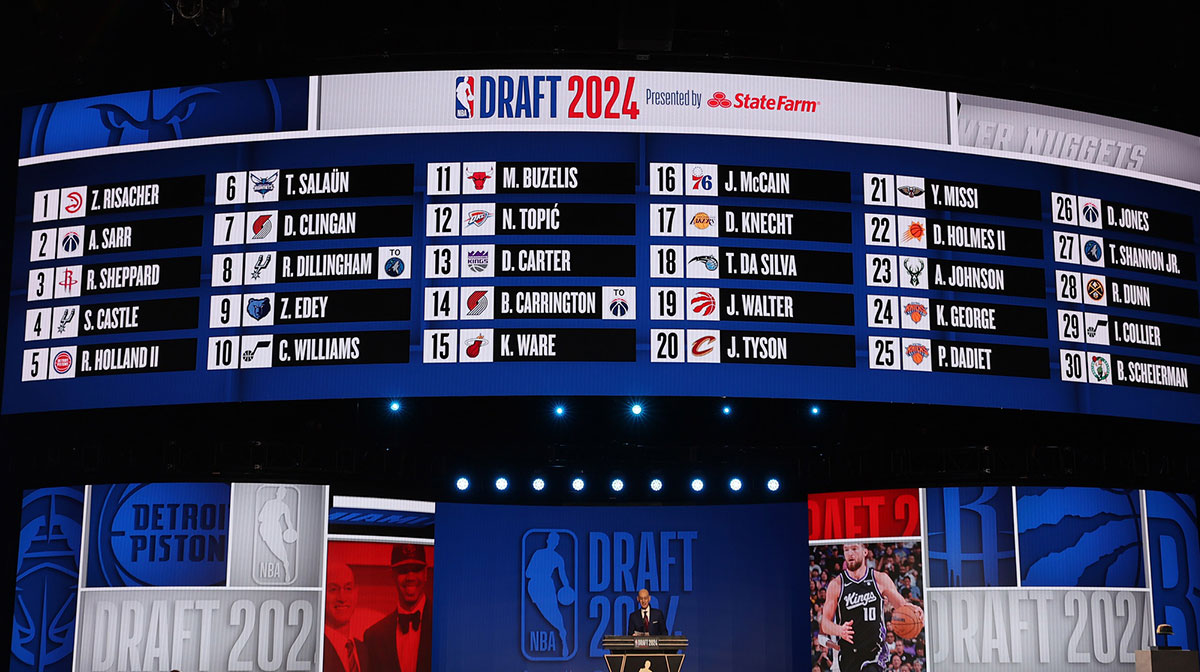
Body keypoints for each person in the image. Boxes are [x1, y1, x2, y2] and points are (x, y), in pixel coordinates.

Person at [819, 543, 922, 672]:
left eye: (854, 548)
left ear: (865, 552)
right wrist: (839, 630)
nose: (850, 553)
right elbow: (825, 624)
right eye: (846, 550)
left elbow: (902, 606)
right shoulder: (837, 584)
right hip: (848, 653)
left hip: (875, 652)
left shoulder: (879, 579)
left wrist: (914, 610)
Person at [364, 545, 432, 672]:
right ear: (392, 575)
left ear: (425, 573)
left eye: (416, 569)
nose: (410, 577)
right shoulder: (373, 637)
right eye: (403, 570)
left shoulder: (445, 625)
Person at [524, 531, 574, 654]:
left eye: (555, 541)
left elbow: (563, 576)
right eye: (552, 540)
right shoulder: (538, 553)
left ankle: (562, 633)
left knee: (554, 611)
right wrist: (539, 573)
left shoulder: (558, 558)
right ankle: (561, 630)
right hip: (535, 586)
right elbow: (528, 573)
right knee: (547, 612)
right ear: (548, 540)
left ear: (557, 543)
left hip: (547, 585)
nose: (553, 543)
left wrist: (567, 588)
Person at [325, 562, 370, 672]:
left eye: (348, 588)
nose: (342, 598)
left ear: (356, 593)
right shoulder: (314, 648)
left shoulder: (365, 651)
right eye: (333, 589)